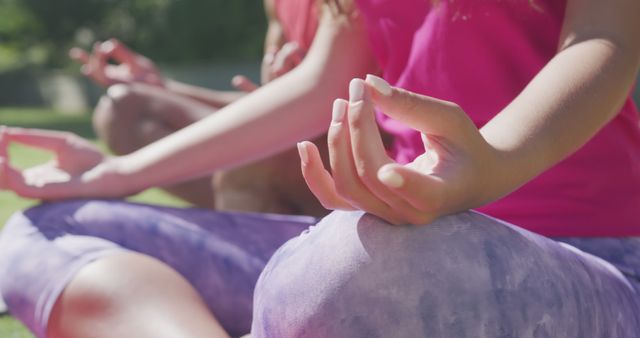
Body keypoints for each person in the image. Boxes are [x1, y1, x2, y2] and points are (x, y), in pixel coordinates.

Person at [1, 0, 639, 337]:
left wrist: (491, 161)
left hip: (591, 262)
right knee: (39, 234)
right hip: (385, 242)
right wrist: (118, 173)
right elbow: (320, 84)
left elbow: (605, 38)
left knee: (354, 268)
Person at [70, 0, 324, 216]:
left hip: (343, 148)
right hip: (292, 133)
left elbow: (321, 97)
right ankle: (252, 216)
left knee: (247, 158)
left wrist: (121, 174)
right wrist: (163, 87)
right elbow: (273, 102)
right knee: (122, 111)